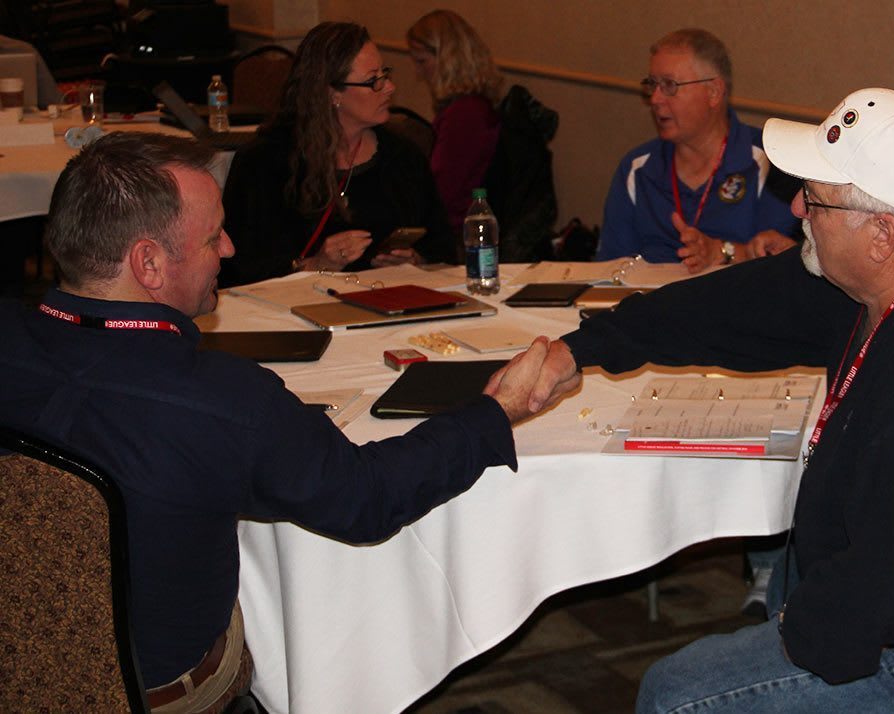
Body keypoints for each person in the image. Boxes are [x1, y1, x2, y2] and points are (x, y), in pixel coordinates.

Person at [517, 88, 894, 711]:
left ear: (882, 234)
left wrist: (786, 642)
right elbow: (730, 305)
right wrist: (584, 348)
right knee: (790, 577)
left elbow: (876, 595)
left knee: (675, 694)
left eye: (814, 200)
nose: (794, 209)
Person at [0, 132, 576, 712]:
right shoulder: (221, 401)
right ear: (148, 262)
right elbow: (367, 498)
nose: (228, 248)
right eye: (211, 237)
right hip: (153, 694)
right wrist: (496, 409)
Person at [220, 22, 452, 287]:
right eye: (373, 80)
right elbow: (234, 269)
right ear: (332, 94)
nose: (389, 87)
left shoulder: (403, 157)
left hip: (389, 306)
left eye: (385, 74)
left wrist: (414, 261)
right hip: (294, 313)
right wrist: (313, 265)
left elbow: (444, 248)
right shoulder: (265, 163)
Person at [597, 28, 799, 272]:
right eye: (652, 85)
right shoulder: (637, 168)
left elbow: (781, 265)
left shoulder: (770, 162)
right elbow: (610, 269)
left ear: (713, 92)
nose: (655, 99)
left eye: (670, 85)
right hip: (651, 304)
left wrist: (724, 251)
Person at [407, 10, 502, 237]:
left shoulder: (465, 115)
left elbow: (441, 191)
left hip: (459, 234)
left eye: (422, 61)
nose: (419, 72)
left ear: (447, 59)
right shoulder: (470, 107)